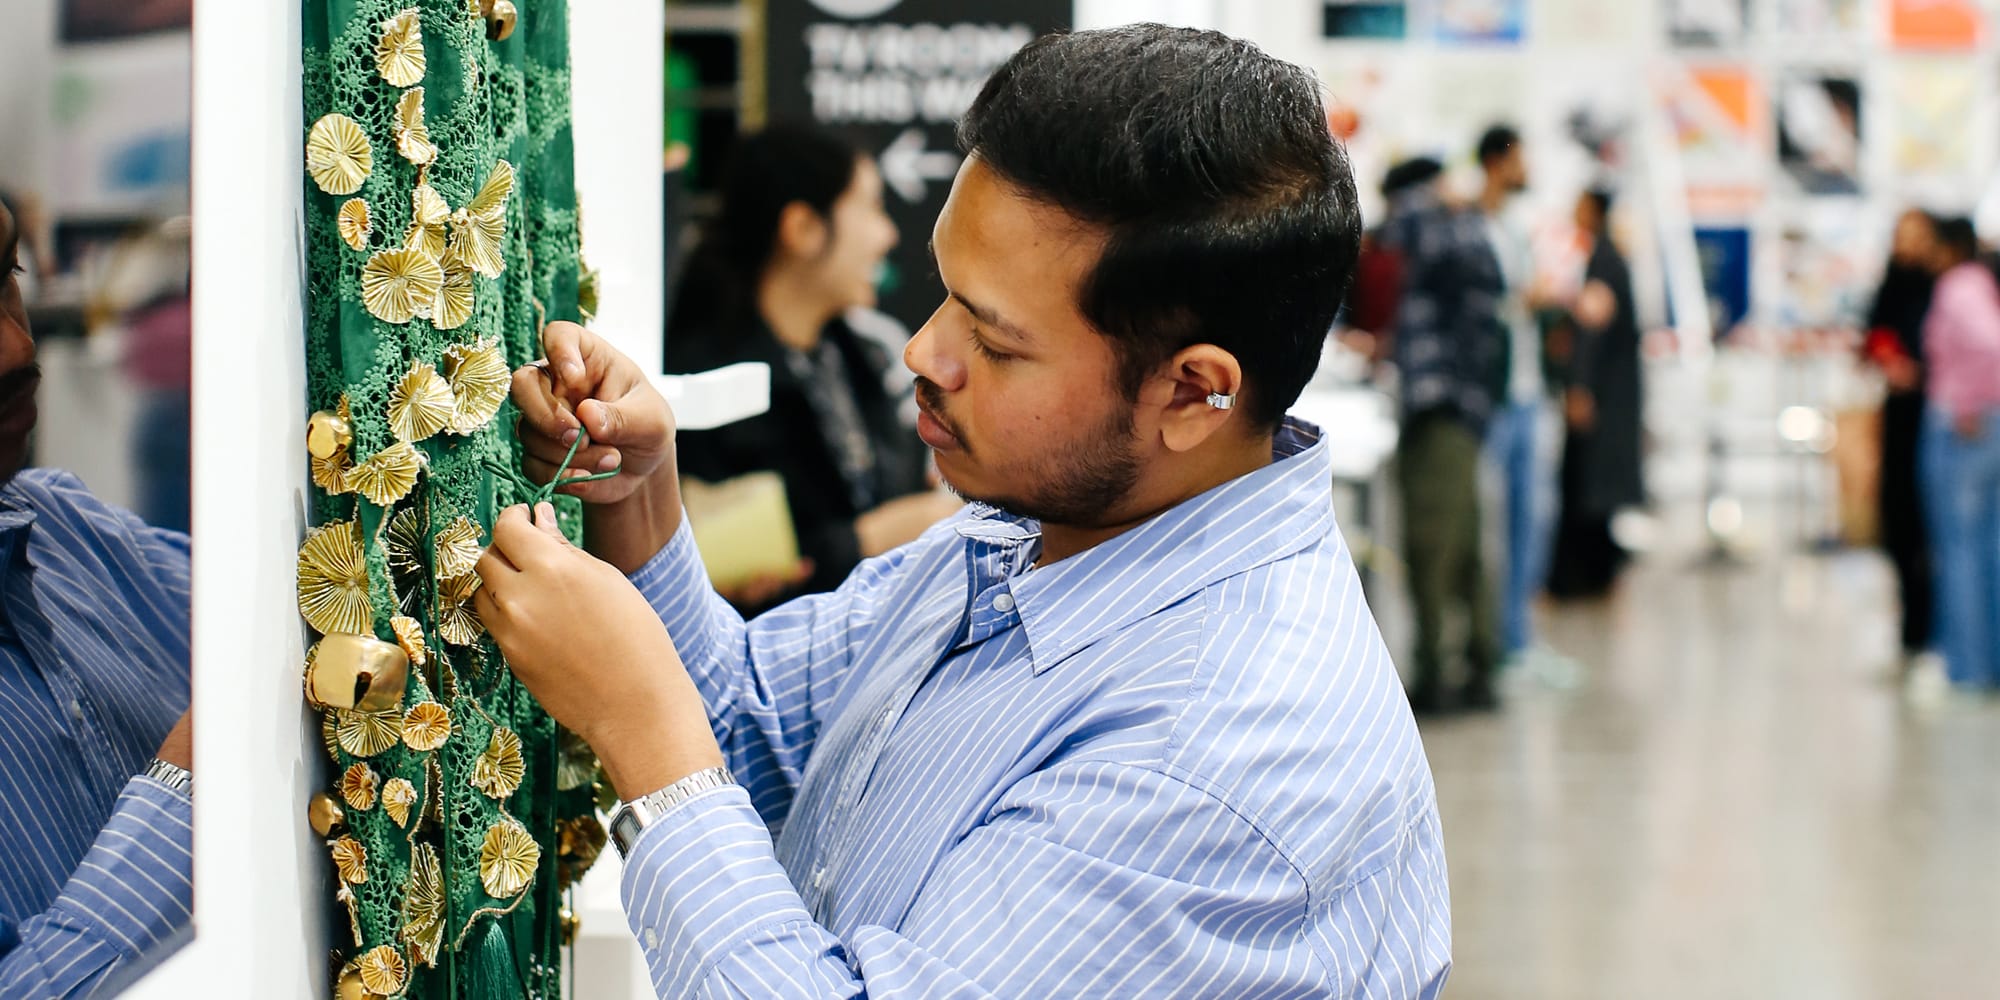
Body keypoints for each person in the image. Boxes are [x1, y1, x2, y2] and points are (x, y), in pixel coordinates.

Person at [475, 26, 1449, 997]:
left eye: (994, 342)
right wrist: (638, 498)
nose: (923, 354)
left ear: (1191, 392)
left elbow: (690, 748)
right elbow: (752, 725)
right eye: (944, 293)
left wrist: (649, 740)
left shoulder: (1210, 761)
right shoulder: (1027, 533)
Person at [0, 197, 194, 996]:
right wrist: (188, 793)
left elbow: (314, 600)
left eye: (4, 279)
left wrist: (617, 503)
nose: (17, 346)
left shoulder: (69, 529)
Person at [663, 124, 957, 608]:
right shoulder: (703, 385)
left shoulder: (857, 355)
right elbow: (713, 562)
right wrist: (873, 538)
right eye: (870, 206)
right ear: (802, 228)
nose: (888, 234)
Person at [1382, 155, 1505, 713]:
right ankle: (1479, 670)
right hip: (1463, 410)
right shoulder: (1468, 233)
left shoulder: (1435, 227)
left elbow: (1399, 227)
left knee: (1430, 547)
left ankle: (1436, 679)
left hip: (1438, 409)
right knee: (1463, 548)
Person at [1472, 124, 1561, 668]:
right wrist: (1518, 303)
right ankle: (1494, 643)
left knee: (1534, 519)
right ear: (1501, 160)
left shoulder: (1514, 228)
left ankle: (1518, 639)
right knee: (1493, 527)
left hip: (1528, 392)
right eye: (1522, 158)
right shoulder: (1471, 226)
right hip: (1495, 398)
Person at [1548, 188, 1644, 599]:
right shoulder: (1607, 258)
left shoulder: (1604, 262)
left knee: (1587, 487)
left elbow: (1592, 331)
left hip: (1603, 398)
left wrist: (1580, 387)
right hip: (1612, 396)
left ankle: (1584, 579)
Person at [1917, 216, 2000, 693]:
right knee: (1987, 546)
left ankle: (1967, 669)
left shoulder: (1960, 286)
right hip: (1984, 424)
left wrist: (1970, 401)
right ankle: (1986, 663)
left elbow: (1990, 344)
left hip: (1963, 425)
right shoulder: (1981, 283)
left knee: (1959, 549)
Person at [1861, 209, 1938, 666]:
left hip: (1936, 417)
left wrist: (1921, 374)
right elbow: (1873, 335)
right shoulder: (1892, 286)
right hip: (1898, 417)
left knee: (1934, 530)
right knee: (1900, 521)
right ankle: (1910, 630)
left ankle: (1935, 632)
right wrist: (1885, 359)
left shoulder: (1942, 288)